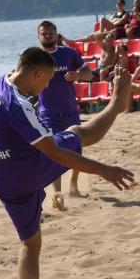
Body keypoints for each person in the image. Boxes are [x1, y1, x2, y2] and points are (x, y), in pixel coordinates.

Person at [0, 49, 134, 279]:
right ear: (37, 73)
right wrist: (104, 171)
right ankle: (115, 106)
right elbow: (55, 153)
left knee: (30, 242)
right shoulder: (18, 105)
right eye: (48, 79)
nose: (48, 86)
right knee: (77, 133)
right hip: (24, 169)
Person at [36, 21, 94, 209]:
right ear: (39, 37)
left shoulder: (67, 53)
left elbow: (89, 74)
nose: (48, 36)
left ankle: (74, 186)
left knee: (76, 150)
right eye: (44, 33)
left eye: (50, 32)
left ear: (56, 34)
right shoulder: (34, 57)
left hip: (70, 110)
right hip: (48, 114)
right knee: (55, 152)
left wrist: (77, 75)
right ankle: (57, 195)